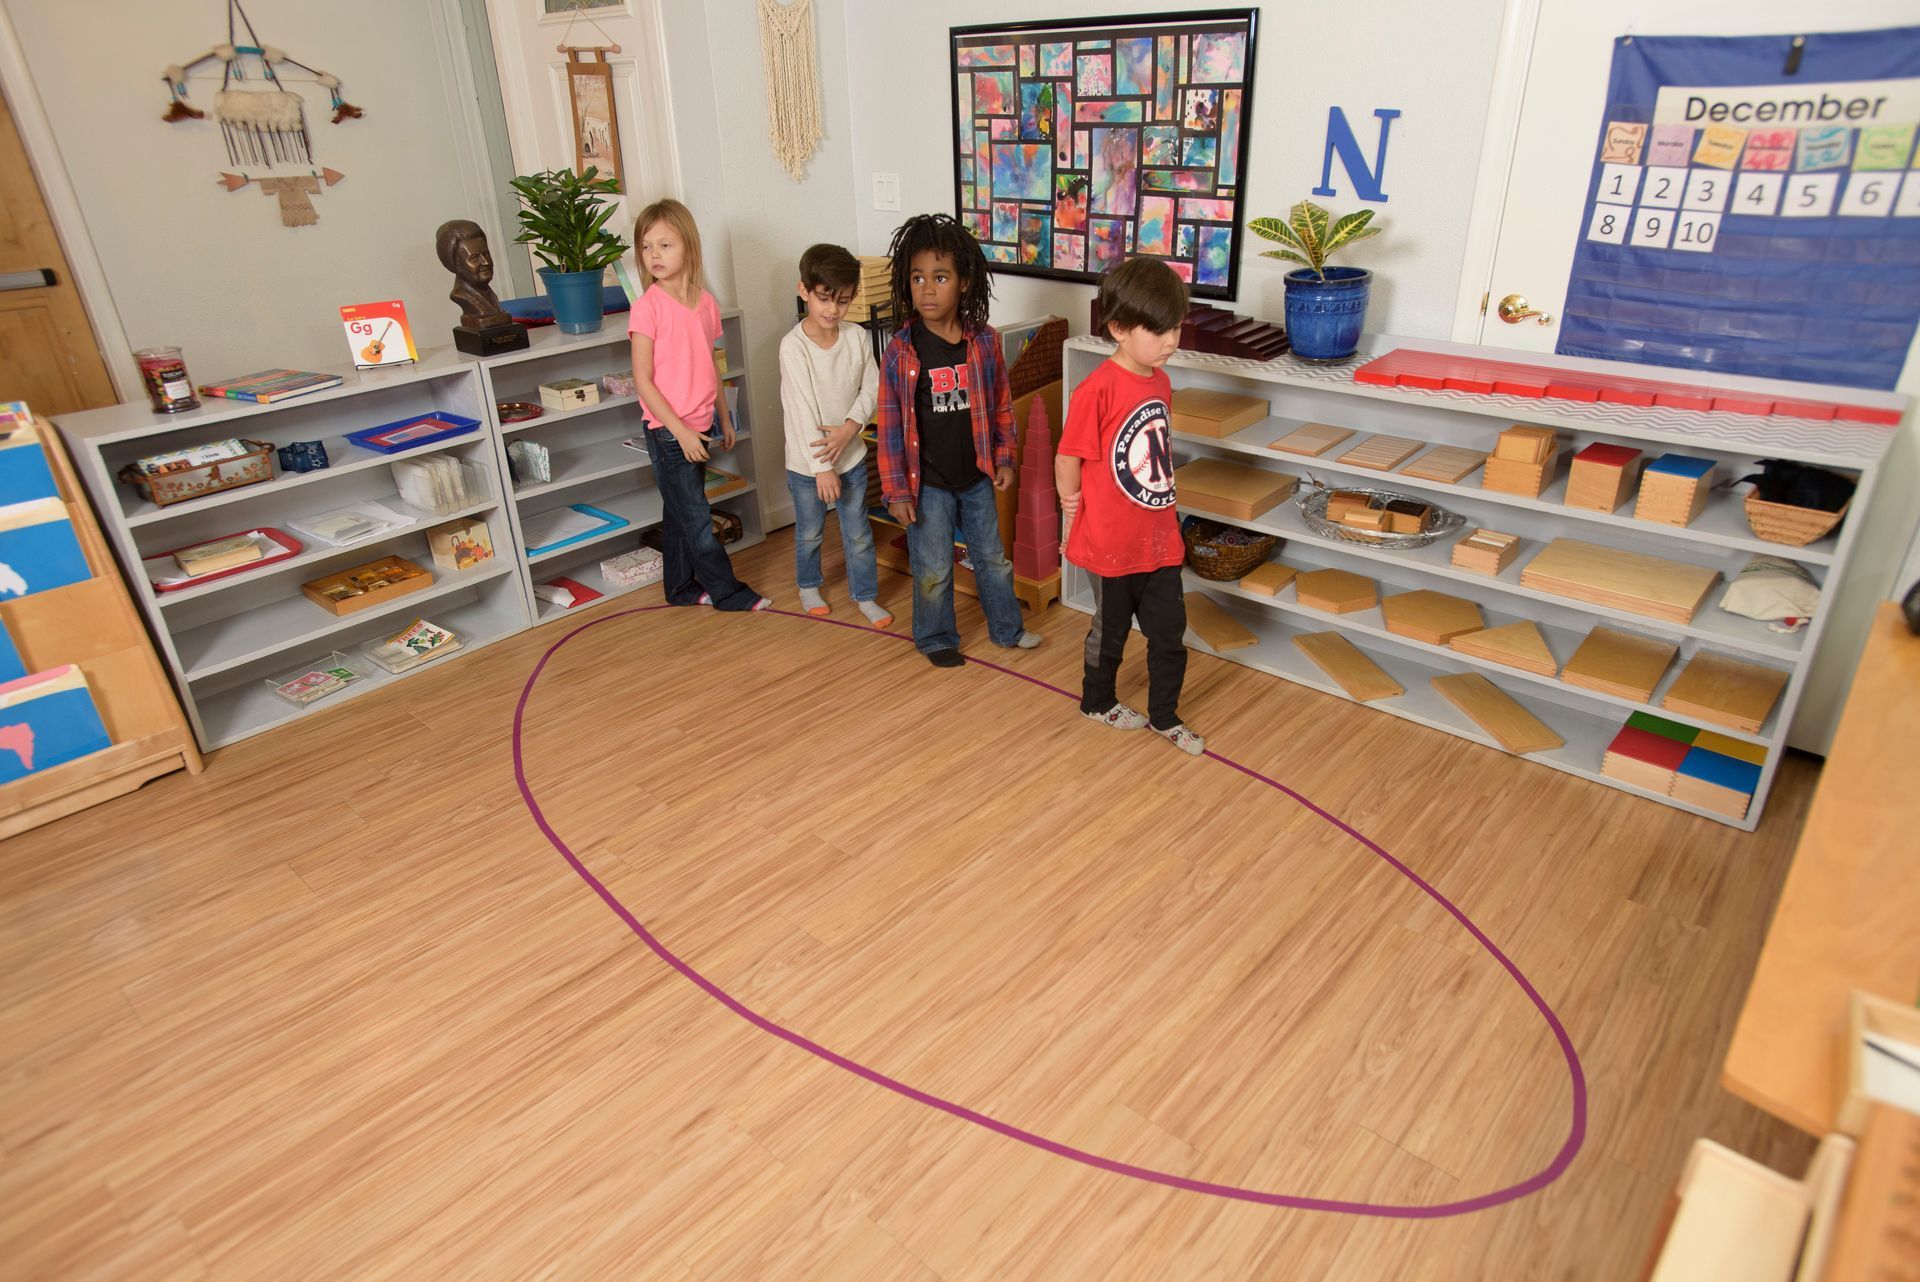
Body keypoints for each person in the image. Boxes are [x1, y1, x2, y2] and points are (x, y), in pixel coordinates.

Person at [875, 213, 1040, 667]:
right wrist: (895, 491)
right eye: (918, 278)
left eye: (940, 277)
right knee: (932, 570)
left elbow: (1003, 403)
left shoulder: (984, 343)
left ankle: (1007, 629)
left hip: (977, 477)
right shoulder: (901, 351)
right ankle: (935, 638)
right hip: (926, 484)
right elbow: (890, 427)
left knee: (993, 559)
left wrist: (1005, 457)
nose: (927, 288)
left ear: (964, 283)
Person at [1055, 257, 1204, 755]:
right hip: (1111, 541)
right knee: (1111, 630)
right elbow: (1068, 456)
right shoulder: (1094, 390)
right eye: (1159, 330)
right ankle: (1097, 701)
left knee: (1169, 636)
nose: (1171, 341)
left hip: (1160, 537)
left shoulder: (1160, 381)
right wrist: (1071, 511)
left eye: (1177, 327)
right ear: (1118, 328)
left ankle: (1165, 715)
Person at [627, 198, 769, 611]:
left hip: (701, 423)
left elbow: (710, 362)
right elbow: (643, 380)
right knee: (696, 518)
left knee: (679, 512)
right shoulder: (647, 308)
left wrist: (724, 415)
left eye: (665, 245)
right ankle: (728, 593)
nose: (654, 254)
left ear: (688, 246)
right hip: (669, 432)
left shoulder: (704, 302)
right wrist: (682, 432)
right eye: (647, 246)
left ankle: (680, 588)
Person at [779, 243, 892, 625]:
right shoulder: (793, 348)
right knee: (810, 531)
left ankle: (865, 595)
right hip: (808, 466)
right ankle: (808, 585)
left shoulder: (857, 337)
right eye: (825, 299)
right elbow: (801, 411)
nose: (833, 310)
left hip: (852, 456)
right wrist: (822, 468)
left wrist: (849, 428)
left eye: (842, 301)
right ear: (804, 291)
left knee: (858, 532)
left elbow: (872, 388)